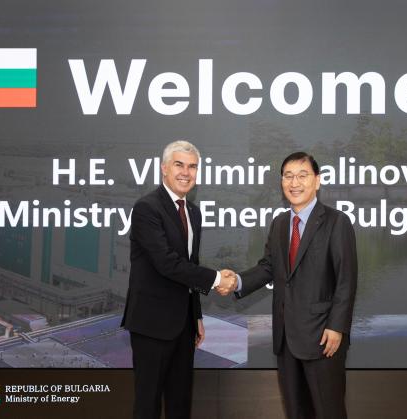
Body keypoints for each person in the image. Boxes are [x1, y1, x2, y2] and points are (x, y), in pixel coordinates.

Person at [224, 152, 358, 419]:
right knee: (296, 412)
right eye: (288, 176)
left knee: (328, 411)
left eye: (302, 175)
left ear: (317, 181)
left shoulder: (336, 221)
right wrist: (236, 281)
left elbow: (346, 279)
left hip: (323, 338)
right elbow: (268, 268)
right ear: (282, 182)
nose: (294, 182)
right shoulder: (280, 223)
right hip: (286, 340)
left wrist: (336, 326)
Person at [121, 140, 237, 419]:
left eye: (192, 166)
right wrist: (216, 278)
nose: (186, 172)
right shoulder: (147, 208)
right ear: (164, 169)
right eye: (179, 165)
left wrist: (195, 315)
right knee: (147, 405)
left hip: (183, 325)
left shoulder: (193, 212)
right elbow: (166, 263)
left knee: (180, 403)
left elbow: (189, 265)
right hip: (151, 325)